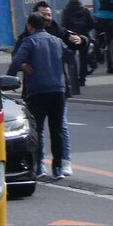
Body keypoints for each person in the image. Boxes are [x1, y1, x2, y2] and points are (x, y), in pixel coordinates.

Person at [7, 12, 68, 180]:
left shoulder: (30, 41)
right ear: (44, 25)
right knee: (57, 131)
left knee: (37, 130)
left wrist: (9, 79)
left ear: (30, 26)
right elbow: (70, 57)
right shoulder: (56, 41)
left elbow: (17, 60)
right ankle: (58, 168)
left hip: (38, 91)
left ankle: (40, 165)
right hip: (58, 90)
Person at [32, 0, 80, 175]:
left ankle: (64, 162)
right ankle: (40, 163)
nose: (47, 17)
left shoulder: (59, 32)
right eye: (43, 14)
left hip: (58, 88)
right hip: (36, 90)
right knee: (39, 129)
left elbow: (76, 44)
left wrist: (81, 39)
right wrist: (22, 66)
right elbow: (18, 55)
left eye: (49, 14)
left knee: (60, 126)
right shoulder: (27, 36)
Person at [60, 0, 93, 86]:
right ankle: (82, 79)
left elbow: (63, 25)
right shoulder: (85, 9)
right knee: (83, 59)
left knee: (71, 57)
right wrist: (85, 31)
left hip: (71, 37)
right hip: (84, 36)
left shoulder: (66, 11)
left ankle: (73, 79)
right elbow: (91, 24)